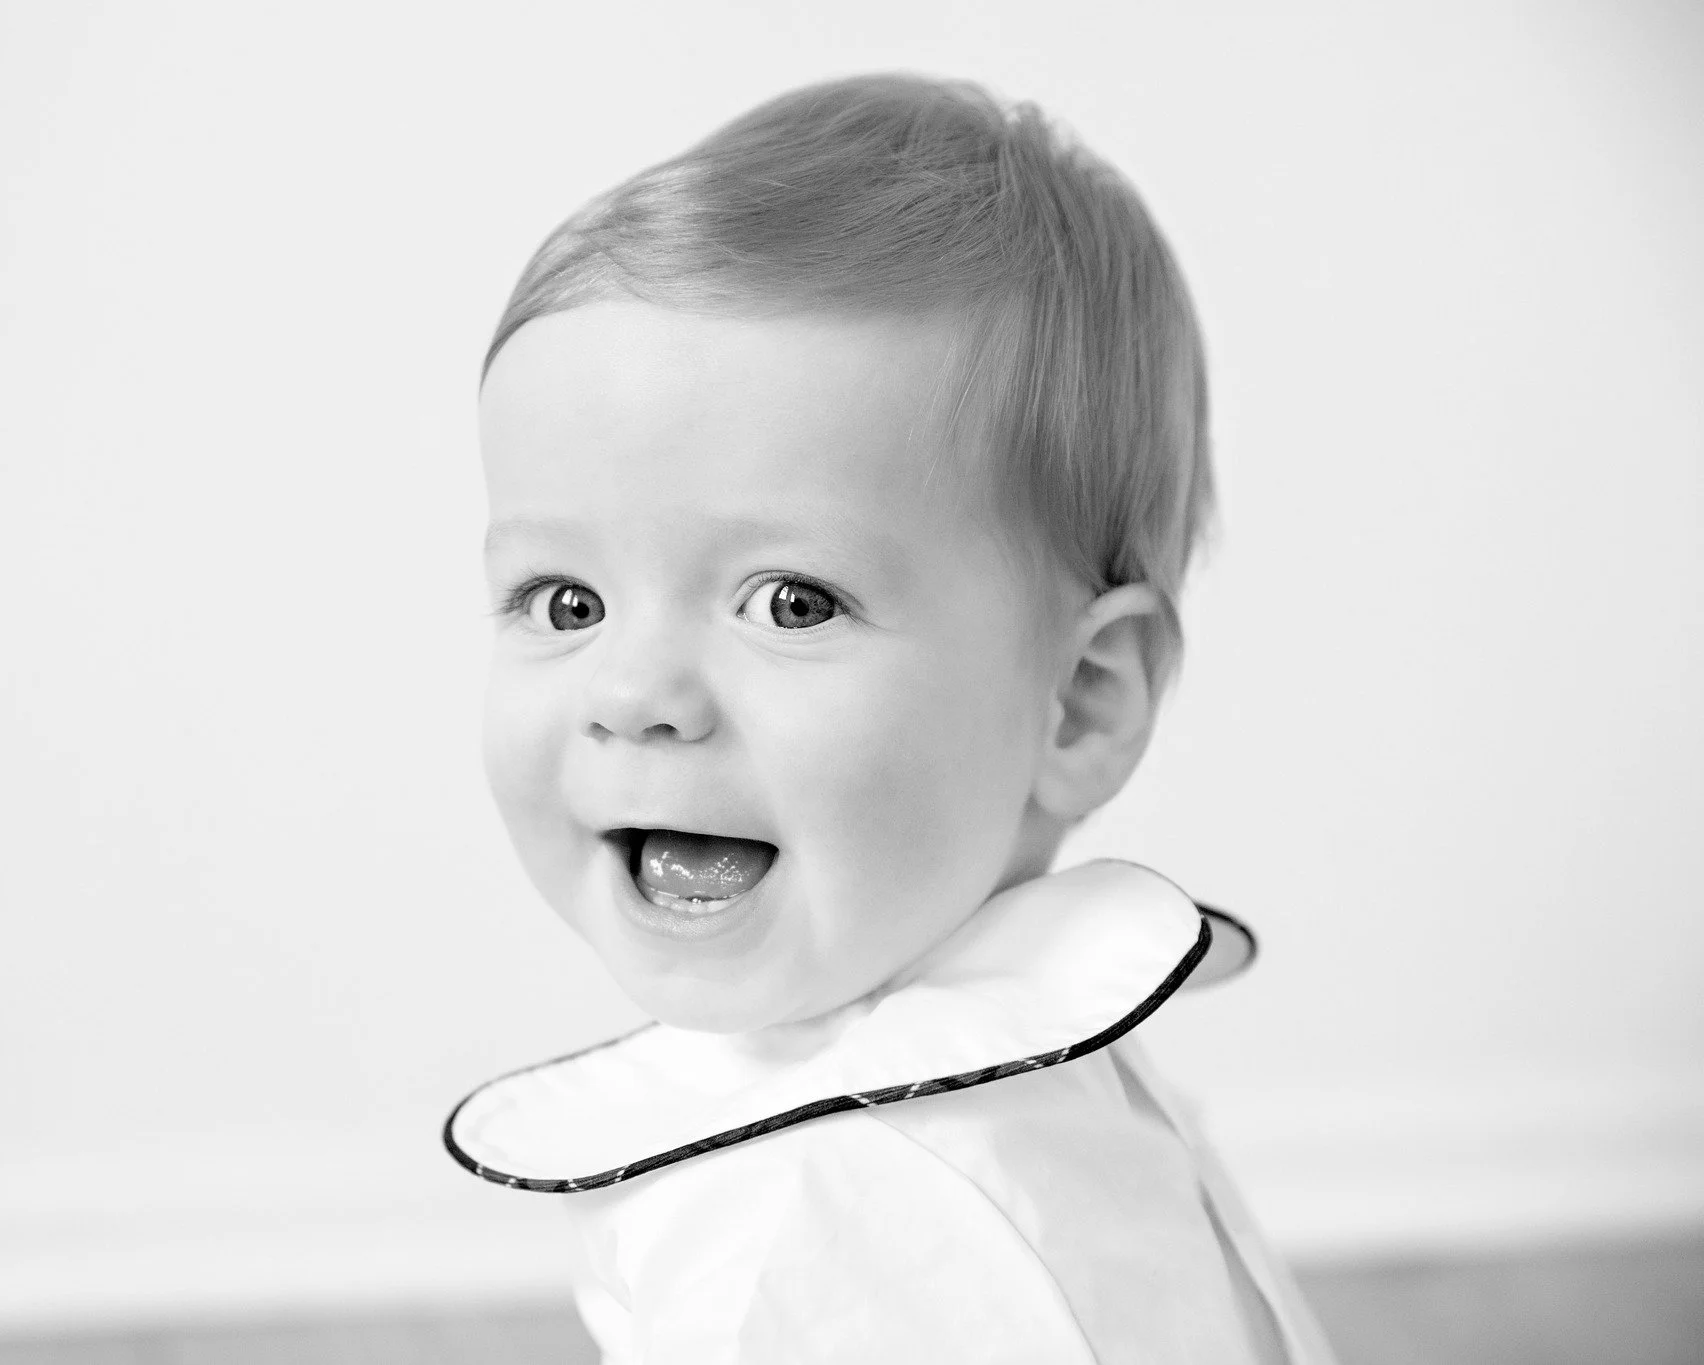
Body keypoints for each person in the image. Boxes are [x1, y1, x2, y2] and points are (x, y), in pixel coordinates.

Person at [444, 72, 1339, 1364]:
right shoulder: (1049, 1072)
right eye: (565, 599)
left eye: (792, 603)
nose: (634, 695)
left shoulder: (789, 1231)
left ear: (1079, 700)